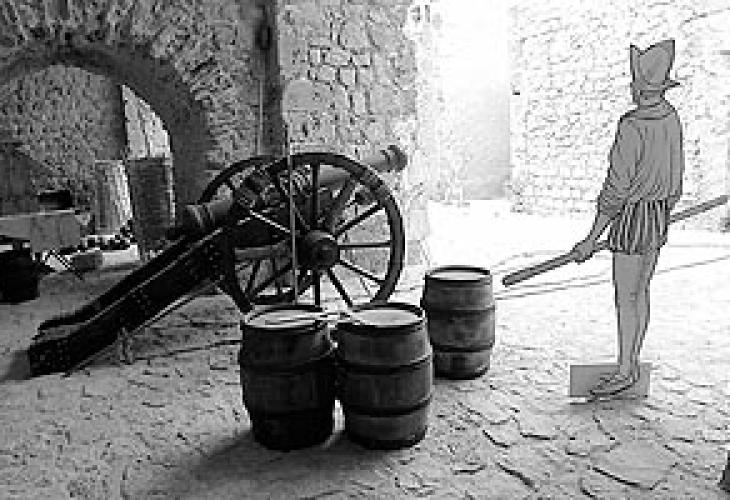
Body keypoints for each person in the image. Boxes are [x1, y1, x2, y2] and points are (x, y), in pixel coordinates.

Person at [572, 39, 685, 397]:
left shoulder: (632, 126)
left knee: (626, 297)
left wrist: (591, 239)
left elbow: (616, 190)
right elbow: (676, 182)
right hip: (656, 215)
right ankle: (631, 362)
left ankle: (625, 371)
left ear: (638, 87)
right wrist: (661, 211)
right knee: (642, 292)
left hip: (633, 216)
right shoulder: (671, 118)